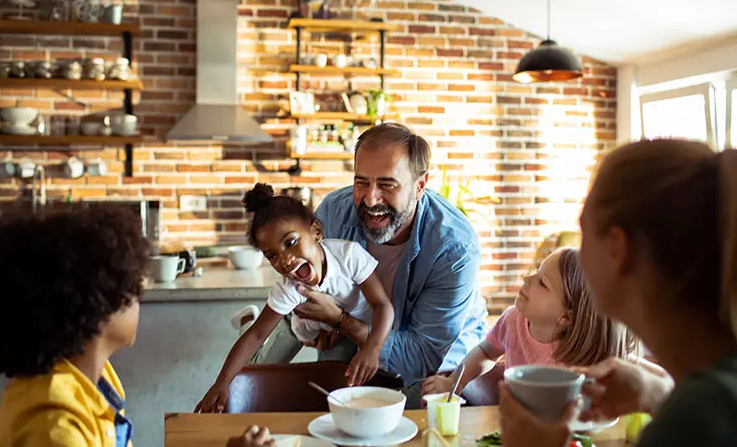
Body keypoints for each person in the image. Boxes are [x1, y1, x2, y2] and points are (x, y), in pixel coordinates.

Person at [0, 205, 276, 447]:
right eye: (129, 286)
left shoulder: (93, 378)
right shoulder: (55, 428)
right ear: (96, 309)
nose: (138, 295)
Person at [499, 139, 737, 446]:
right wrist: (660, 396)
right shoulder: (708, 404)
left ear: (617, 249)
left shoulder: (694, 421)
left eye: (584, 232)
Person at [289, 123, 489, 404]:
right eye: (361, 182)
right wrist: (320, 322)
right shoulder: (334, 212)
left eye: (387, 184)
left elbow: (420, 357)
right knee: (327, 401)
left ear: (419, 186)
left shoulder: (454, 247)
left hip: (437, 359)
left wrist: (339, 320)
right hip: (360, 330)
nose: (370, 198)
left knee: (410, 410)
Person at [195, 183, 394, 413]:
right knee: (255, 370)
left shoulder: (349, 257)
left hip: (342, 334)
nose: (285, 260)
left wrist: (372, 348)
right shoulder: (289, 288)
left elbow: (382, 306)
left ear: (316, 232)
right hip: (298, 325)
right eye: (272, 256)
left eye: (290, 242)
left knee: (333, 390)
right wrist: (221, 383)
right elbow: (256, 335)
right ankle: (248, 320)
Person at [422, 247, 636, 403]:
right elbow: (485, 353)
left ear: (567, 318)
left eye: (542, 282)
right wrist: (453, 384)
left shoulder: (585, 361)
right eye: (536, 271)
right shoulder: (513, 319)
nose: (527, 278)